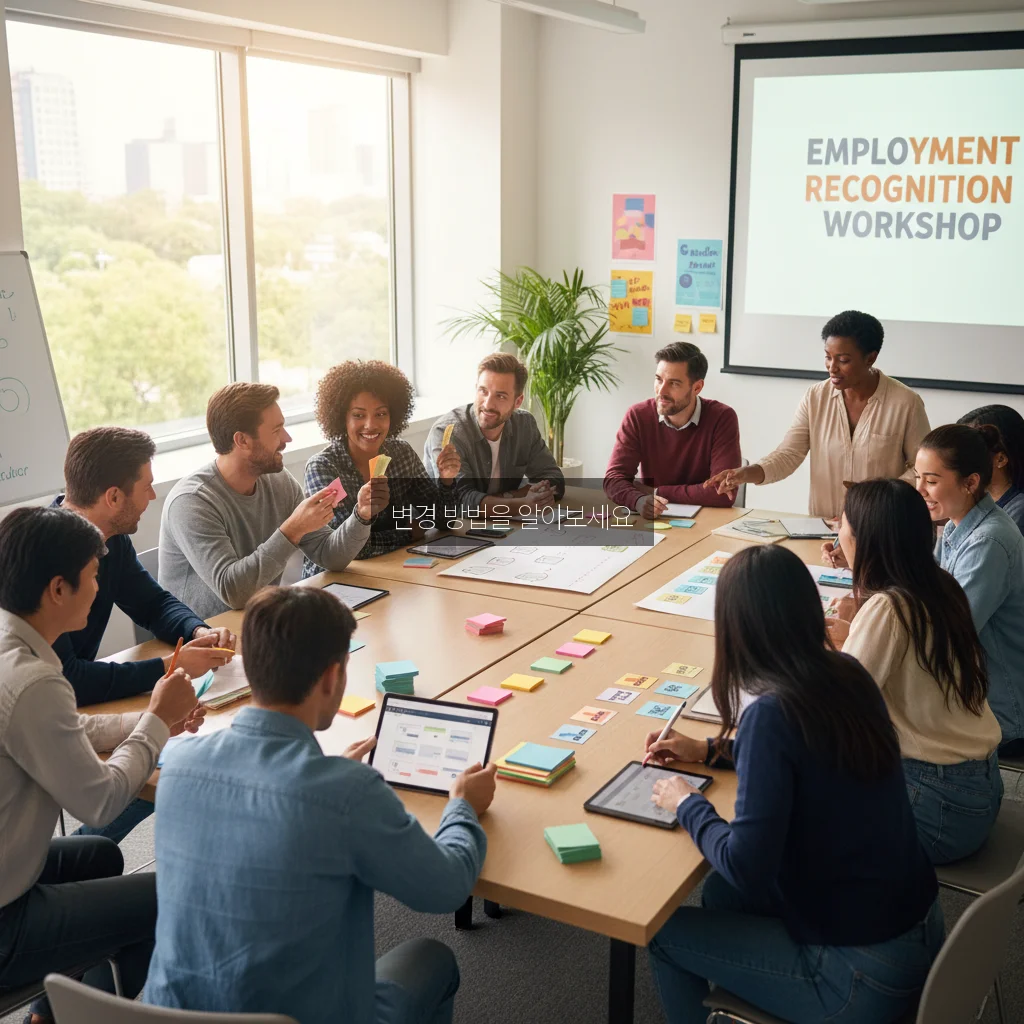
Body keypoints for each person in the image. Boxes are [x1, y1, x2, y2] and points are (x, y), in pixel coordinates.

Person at [143, 585, 496, 1024]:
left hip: (167, 1013)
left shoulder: (177, 763)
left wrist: (325, 774)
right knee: (433, 959)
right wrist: (463, 805)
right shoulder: (347, 792)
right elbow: (446, 888)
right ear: (332, 677)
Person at [643, 545, 942, 1024]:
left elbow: (747, 866)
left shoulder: (770, 713)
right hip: (917, 930)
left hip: (858, 974)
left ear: (736, 628)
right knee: (721, 896)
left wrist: (686, 803)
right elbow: (804, 759)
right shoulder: (847, 673)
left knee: (662, 932)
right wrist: (707, 751)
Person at [0, 507, 202, 1024]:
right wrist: (156, 720)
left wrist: (152, 720)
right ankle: (105, 1014)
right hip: (4, 917)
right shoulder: (34, 680)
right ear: (57, 590)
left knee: (98, 857)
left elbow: (59, 730)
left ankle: (55, 1014)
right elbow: (102, 798)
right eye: (92, 576)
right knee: (171, 898)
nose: (99, 588)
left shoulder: (14, 648)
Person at [827, 479, 1001, 863]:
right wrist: (855, 632)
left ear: (863, 538)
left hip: (936, 808)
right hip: (976, 788)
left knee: (795, 806)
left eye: (842, 525)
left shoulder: (888, 608)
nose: (838, 534)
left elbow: (838, 710)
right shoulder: (940, 585)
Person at [159, 383, 388, 619]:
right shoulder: (191, 502)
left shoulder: (278, 481)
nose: (286, 438)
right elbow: (233, 592)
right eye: (276, 430)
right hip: (199, 639)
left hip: (260, 624)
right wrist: (292, 530)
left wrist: (361, 515)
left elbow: (329, 555)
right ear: (242, 441)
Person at [55, 427, 235, 706]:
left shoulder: (111, 539)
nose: (152, 497)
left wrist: (199, 632)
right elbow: (68, 680)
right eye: (146, 486)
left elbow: (153, 605)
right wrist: (170, 667)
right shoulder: (45, 558)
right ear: (113, 498)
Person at [707, 311, 930, 519]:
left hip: (884, 525)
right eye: (828, 357)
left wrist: (878, 498)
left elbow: (922, 471)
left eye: (843, 360)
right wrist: (745, 474)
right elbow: (788, 455)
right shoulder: (815, 397)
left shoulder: (906, 403)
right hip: (823, 526)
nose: (832, 367)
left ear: (870, 358)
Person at [916, 423, 1024, 755]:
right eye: (917, 477)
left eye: (931, 481)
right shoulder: (955, 526)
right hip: (964, 689)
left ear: (971, 482)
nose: (918, 489)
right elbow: (924, 597)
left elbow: (945, 633)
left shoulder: (989, 541)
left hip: (997, 713)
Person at [302, 361, 461, 577]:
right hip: (333, 584)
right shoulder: (323, 468)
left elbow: (443, 520)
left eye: (381, 414)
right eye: (358, 415)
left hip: (394, 572)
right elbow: (349, 548)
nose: (370, 425)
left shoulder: (401, 453)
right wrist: (408, 533)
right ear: (342, 417)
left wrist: (447, 480)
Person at [604, 342, 741, 517]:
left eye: (674, 383)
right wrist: (638, 500)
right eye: (659, 379)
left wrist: (655, 492)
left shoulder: (722, 418)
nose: (662, 391)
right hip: (654, 519)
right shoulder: (638, 415)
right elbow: (613, 479)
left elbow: (722, 493)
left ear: (697, 387)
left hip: (707, 521)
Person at [424, 353, 564, 514]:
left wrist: (511, 496)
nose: (488, 404)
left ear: (517, 401)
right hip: (448, 530)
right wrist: (520, 504)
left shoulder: (525, 425)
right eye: (483, 391)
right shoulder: (449, 433)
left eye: (500, 396)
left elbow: (554, 477)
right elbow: (460, 501)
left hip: (503, 525)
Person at [957, 404, 1024, 534]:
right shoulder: (972, 500)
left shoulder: (1018, 512)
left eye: (968, 449)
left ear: (1000, 459)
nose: (959, 457)